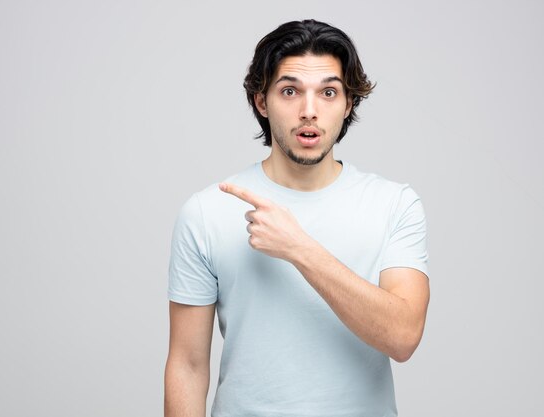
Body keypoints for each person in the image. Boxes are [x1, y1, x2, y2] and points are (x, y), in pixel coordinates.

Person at [164, 19, 430, 417]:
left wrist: (299, 248)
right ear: (261, 101)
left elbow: (403, 336)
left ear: (349, 103)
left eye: (328, 92)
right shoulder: (207, 211)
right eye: (290, 91)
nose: (309, 111)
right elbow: (187, 364)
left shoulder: (394, 204)